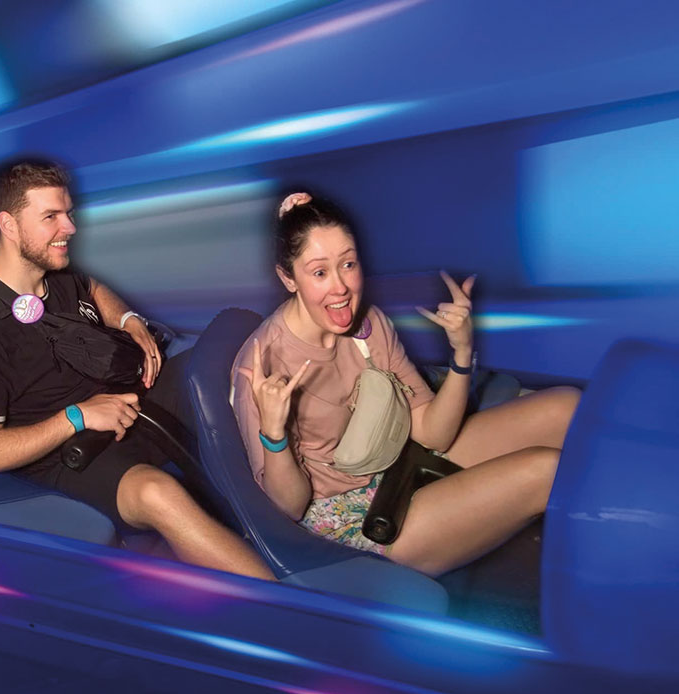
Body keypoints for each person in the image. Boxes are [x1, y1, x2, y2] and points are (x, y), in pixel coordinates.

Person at [0, 160, 274, 580]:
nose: (69, 227)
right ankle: (300, 624)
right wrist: (77, 415)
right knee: (160, 494)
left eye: (68, 213)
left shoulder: (54, 269)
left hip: (126, 402)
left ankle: (306, 503)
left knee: (231, 366)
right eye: (51, 217)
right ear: (9, 225)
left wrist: (128, 321)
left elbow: (94, 289)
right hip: (70, 453)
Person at [232, 192, 580, 577]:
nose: (340, 288)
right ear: (288, 278)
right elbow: (289, 509)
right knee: (544, 472)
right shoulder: (264, 364)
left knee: (566, 407)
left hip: (398, 454)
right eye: (319, 272)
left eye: (348, 264)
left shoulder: (369, 324)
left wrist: (462, 353)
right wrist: (274, 434)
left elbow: (433, 432)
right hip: (352, 517)